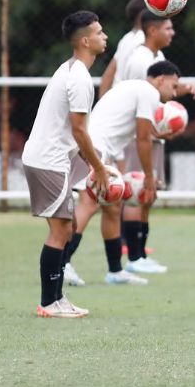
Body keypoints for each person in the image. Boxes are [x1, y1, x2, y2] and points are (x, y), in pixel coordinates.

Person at [20, 10, 109, 316]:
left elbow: (76, 134)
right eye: (99, 32)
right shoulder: (80, 78)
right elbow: (79, 130)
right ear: (85, 40)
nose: (104, 36)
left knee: (67, 228)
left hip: (49, 159)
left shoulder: (71, 70)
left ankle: (56, 299)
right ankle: (50, 302)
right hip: (49, 162)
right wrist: (98, 168)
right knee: (60, 232)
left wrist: (96, 164)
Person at [78, 60, 183, 285]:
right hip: (96, 149)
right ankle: (63, 263)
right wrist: (149, 178)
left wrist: (160, 134)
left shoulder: (136, 89)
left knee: (113, 208)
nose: (174, 94)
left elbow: (141, 129)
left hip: (101, 148)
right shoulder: (148, 92)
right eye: (173, 86)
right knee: (89, 204)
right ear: (161, 79)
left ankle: (115, 271)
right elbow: (143, 139)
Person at [115, 11, 195, 274]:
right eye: (168, 28)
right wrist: (156, 130)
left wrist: (181, 89)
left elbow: (160, 93)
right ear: (152, 31)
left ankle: (140, 254)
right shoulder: (140, 60)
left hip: (152, 136)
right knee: (137, 191)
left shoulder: (156, 57)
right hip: (140, 136)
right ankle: (134, 258)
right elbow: (141, 102)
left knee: (149, 195)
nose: (172, 33)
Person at [99, 0, 148, 95]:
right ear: (143, 15)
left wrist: (101, 106)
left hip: (118, 97)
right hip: (132, 100)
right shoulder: (145, 39)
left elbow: (108, 75)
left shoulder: (126, 38)